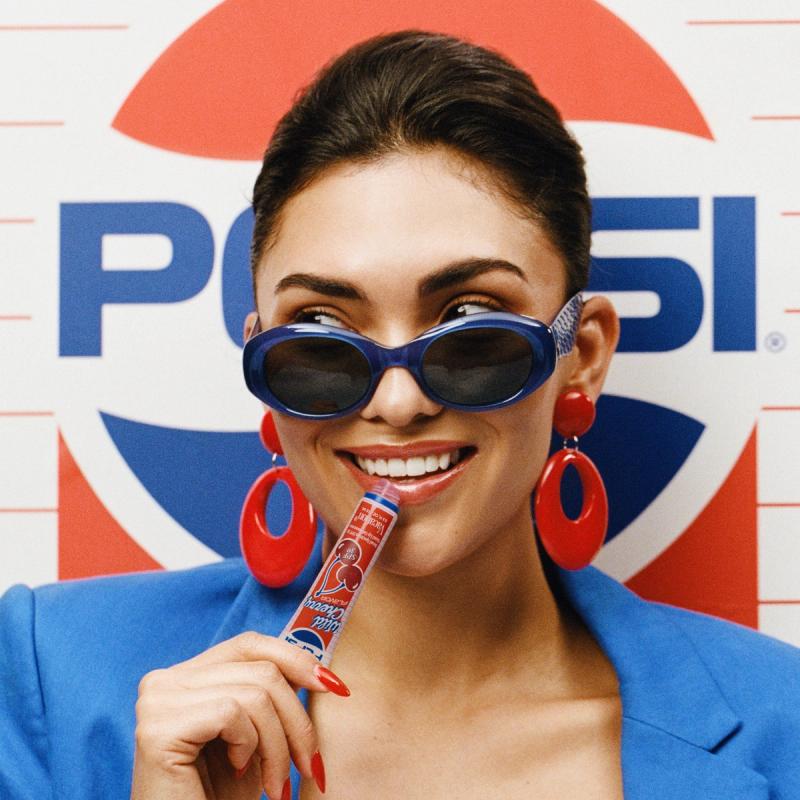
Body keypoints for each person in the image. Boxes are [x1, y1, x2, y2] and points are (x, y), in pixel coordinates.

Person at [1, 29, 799, 800]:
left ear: (580, 353)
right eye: (320, 341)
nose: (397, 401)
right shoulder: (51, 678)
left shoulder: (780, 724)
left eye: (472, 331)